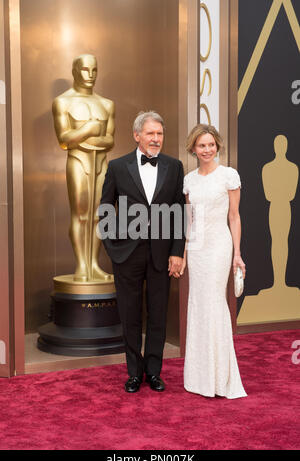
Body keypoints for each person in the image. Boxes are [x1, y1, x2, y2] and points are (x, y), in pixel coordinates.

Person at [99, 111, 185, 392]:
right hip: (127, 253)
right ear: (137, 135)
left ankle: (154, 372)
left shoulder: (174, 166)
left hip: (162, 253)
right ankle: (134, 373)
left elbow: (179, 213)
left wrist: (177, 251)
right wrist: (112, 247)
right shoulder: (117, 166)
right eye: (150, 133)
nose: (156, 139)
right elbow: (105, 209)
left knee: (158, 314)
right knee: (130, 314)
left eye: (159, 134)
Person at [181, 124, 247, 399]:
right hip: (196, 248)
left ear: (217, 146)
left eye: (211, 145)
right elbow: (188, 221)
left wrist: (237, 254)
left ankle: (221, 377)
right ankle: (199, 376)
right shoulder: (189, 180)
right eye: (201, 145)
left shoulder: (229, 176)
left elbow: (234, 216)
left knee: (214, 302)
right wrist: (182, 253)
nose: (207, 150)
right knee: (197, 304)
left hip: (219, 245)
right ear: (193, 149)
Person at [52, 54, 115, 282]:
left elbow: (110, 141)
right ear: (74, 71)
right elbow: (63, 139)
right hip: (78, 162)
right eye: (85, 70)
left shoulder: (106, 104)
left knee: (98, 214)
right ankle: (81, 265)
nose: (90, 75)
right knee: (80, 214)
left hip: (100, 163)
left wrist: (85, 139)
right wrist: (88, 130)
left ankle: (94, 264)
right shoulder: (62, 102)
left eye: (94, 70)